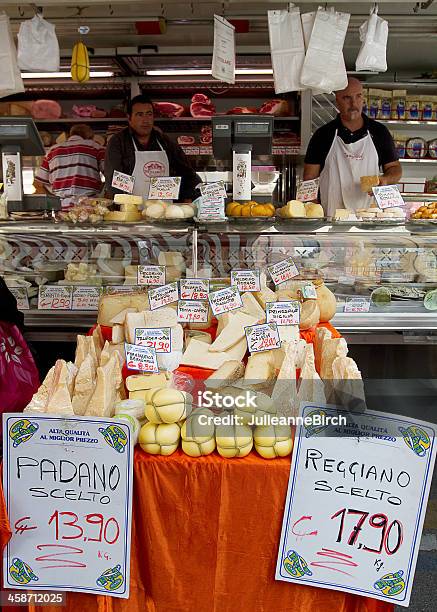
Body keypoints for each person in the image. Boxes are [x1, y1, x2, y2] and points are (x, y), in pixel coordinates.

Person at [303, 77, 402, 216]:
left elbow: (395, 169)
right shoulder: (323, 135)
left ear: (363, 98)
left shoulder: (379, 132)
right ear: (337, 101)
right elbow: (309, 177)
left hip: (369, 219)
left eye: (358, 96)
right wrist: (313, 213)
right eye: (347, 98)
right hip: (331, 220)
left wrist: (385, 179)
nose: (353, 103)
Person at [104, 95, 200, 201]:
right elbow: (114, 179)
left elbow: (187, 173)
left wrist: (192, 196)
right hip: (132, 211)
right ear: (129, 118)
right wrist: (122, 206)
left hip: (165, 211)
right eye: (139, 115)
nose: (145, 120)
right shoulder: (118, 142)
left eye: (149, 114)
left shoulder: (165, 141)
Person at [34, 124, 105, 209]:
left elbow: (38, 184)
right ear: (90, 137)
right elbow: (111, 176)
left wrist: (54, 201)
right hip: (89, 208)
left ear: (71, 135)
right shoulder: (95, 147)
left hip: (61, 209)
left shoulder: (52, 150)